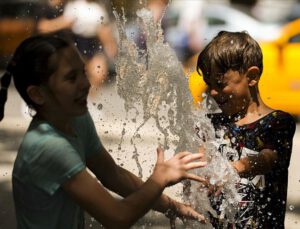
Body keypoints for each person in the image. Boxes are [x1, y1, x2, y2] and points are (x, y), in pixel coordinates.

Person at [0, 34, 208, 229]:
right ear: (37, 94)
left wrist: (173, 206)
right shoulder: (48, 147)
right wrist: (159, 179)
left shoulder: (75, 117)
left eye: (83, 72)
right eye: (71, 78)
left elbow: (113, 175)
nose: (86, 84)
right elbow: (117, 217)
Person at [196, 31, 296, 228]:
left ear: (251, 77)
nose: (213, 92)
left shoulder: (277, 122)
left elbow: (268, 158)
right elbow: (200, 162)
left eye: (220, 84)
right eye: (209, 85)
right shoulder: (209, 124)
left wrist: (233, 169)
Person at [37, 0, 117, 90]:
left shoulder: (98, 9)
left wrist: (109, 44)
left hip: (92, 44)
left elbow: (103, 30)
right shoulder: (73, 5)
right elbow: (45, 26)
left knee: (98, 76)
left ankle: (88, 99)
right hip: (77, 43)